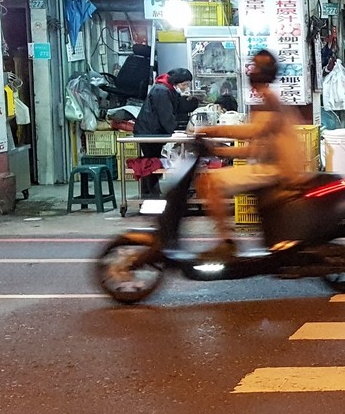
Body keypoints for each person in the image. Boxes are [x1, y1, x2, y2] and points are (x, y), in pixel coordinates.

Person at [196, 50, 312, 262]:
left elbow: (252, 132)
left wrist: (211, 131)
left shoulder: (269, 100)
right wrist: (218, 152)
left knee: (211, 181)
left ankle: (226, 242)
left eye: (252, 67)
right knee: (212, 180)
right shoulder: (268, 99)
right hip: (271, 165)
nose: (249, 71)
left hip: (278, 170)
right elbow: (254, 149)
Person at [133, 68, 194, 198]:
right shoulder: (161, 91)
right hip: (148, 132)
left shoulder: (167, 89)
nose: (185, 88)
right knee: (151, 163)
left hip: (153, 131)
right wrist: (177, 132)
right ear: (176, 82)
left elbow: (174, 110)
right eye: (184, 84)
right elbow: (166, 116)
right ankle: (150, 194)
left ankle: (150, 193)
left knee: (152, 161)